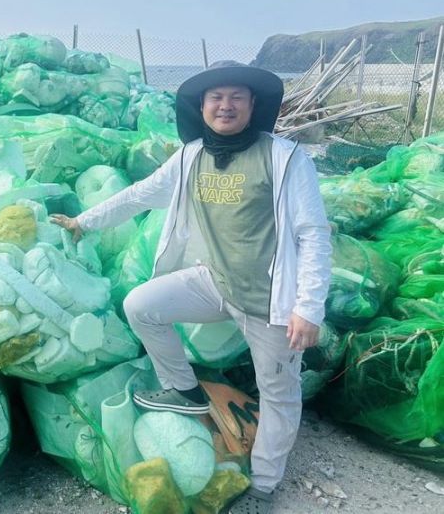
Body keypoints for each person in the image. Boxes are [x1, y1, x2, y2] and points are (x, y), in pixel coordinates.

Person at [52, 62, 332, 513]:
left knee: (279, 391)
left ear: (252, 105)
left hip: (268, 300)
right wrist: (84, 222)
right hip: (213, 282)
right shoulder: (191, 156)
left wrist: (308, 308)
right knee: (141, 304)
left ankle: (263, 486)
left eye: (236, 97)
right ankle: (183, 388)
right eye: (215, 98)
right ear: (201, 107)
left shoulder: (283, 157)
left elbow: (313, 233)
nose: (226, 106)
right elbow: (139, 193)